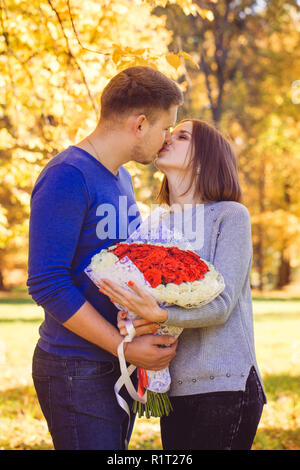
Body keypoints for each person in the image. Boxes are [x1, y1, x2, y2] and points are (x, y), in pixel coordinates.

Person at [27, 66, 184, 450]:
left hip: (114, 362)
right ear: (140, 124)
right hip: (75, 367)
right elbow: (47, 282)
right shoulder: (67, 175)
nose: (166, 140)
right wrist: (123, 345)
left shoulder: (121, 179)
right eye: (166, 128)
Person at [98, 118, 267, 450]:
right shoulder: (154, 225)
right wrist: (134, 319)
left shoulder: (229, 216)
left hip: (225, 386)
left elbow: (220, 306)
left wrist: (158, 314)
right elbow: (151, 297)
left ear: (205, 160)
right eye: (169, 133)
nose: (167, 138)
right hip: (174, 388)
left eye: (182, 136)